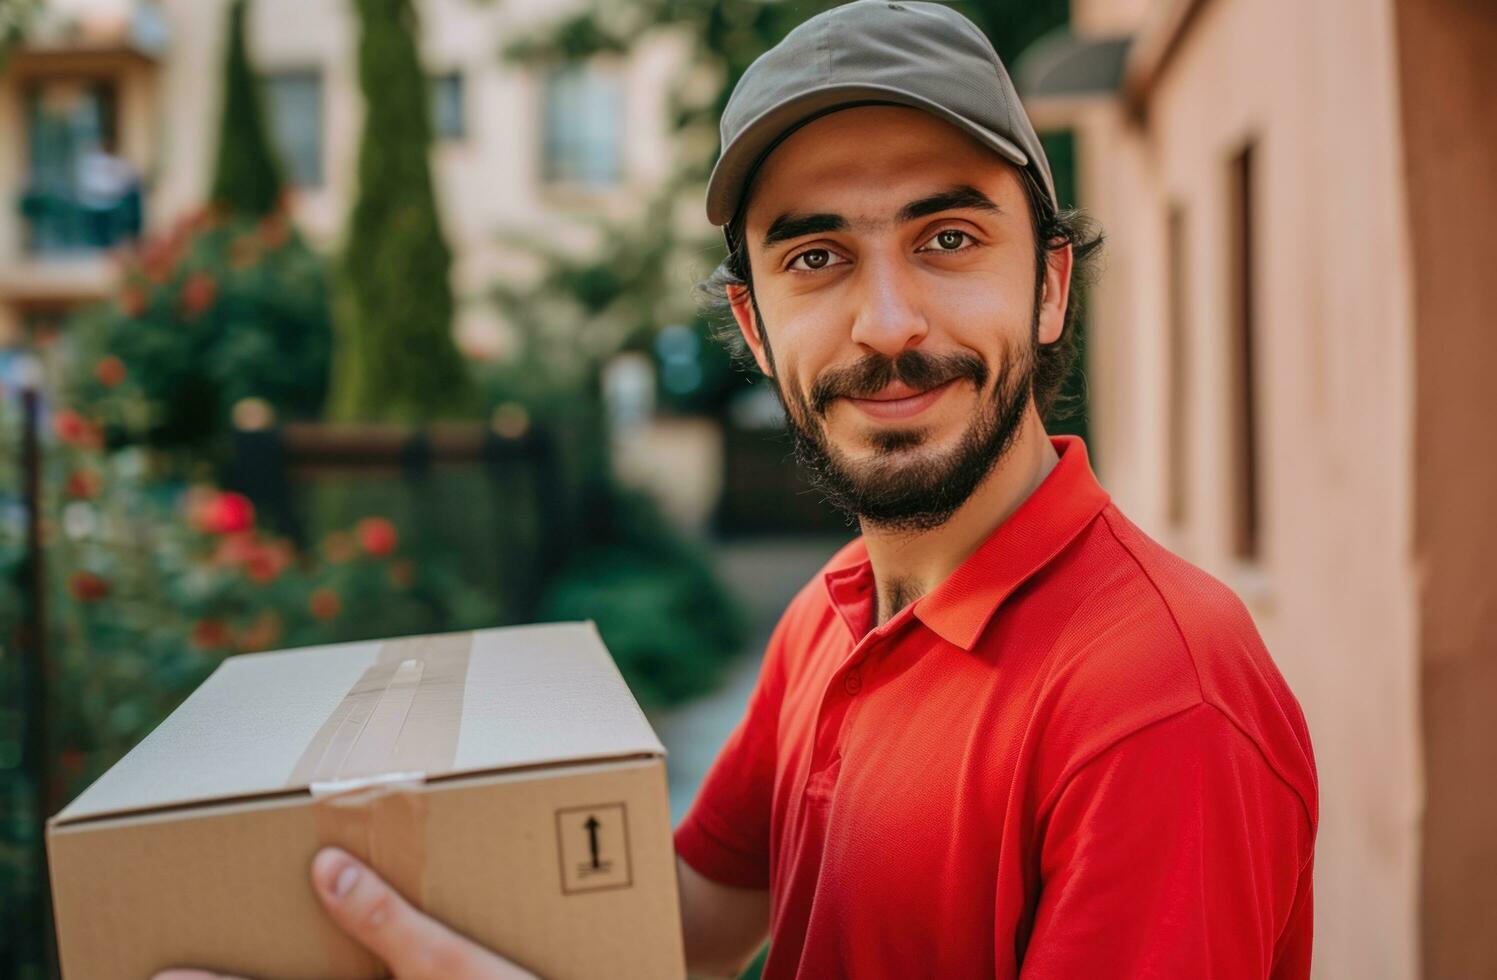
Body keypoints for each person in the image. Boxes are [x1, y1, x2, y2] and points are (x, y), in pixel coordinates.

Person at [157, 2, 1317, 978]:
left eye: (950, 237)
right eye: (816, 258)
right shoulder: (836, 612)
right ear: (757, 326)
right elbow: (697, 906)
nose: (888, 322)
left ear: (1050, 286)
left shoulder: (1160, 702)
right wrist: (348, 911)